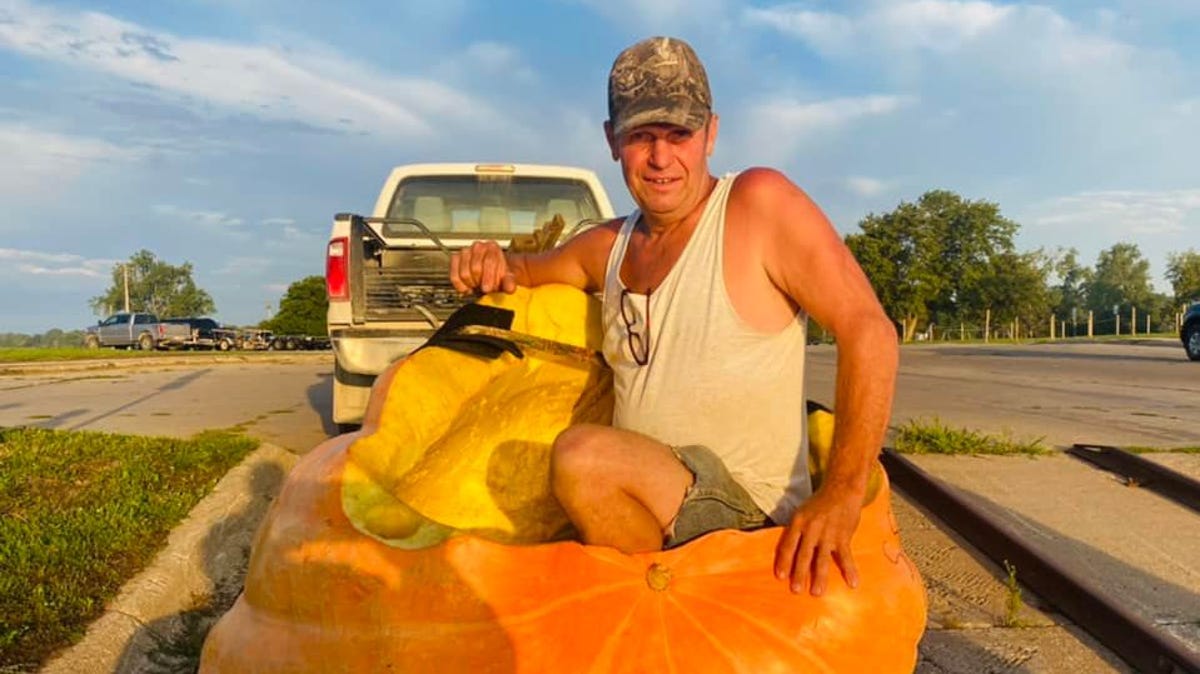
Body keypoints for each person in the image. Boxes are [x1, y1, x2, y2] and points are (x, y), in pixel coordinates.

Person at [449, 36, 898, 597]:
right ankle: (659, 619)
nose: (662, 158)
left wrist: (842, 494)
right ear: (612, 141)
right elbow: (526, 271)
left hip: (748, 512)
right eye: (641, 136)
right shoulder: (609, 244)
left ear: (711, 133)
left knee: (583, 457)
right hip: (654, 504)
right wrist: (489, 260)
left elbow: (869, 329)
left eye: (679, 134)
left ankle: (673, 615)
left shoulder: (757, 205)